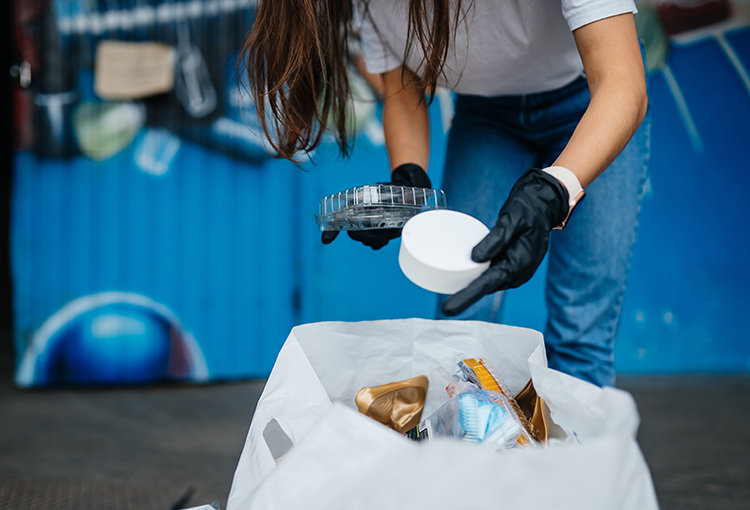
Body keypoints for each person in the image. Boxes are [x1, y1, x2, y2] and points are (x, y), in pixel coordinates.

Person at [241, 0, 650, 387]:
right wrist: (408, 178)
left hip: (593, 102)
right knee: (462, 333)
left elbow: (622, 83)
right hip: (487, 117)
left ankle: (582, 461)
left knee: (580, 334)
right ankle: (470, 454)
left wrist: (555, 190)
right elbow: (403, 85)